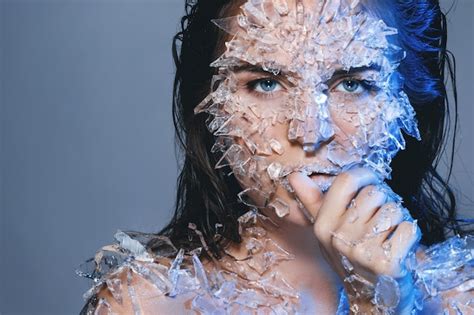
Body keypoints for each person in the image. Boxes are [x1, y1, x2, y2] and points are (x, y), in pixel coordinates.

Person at [78, 0, 473, 313]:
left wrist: (387, 304)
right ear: (207, 103)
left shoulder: (461, 296)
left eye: (351, 84)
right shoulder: (150, 304)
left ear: (410, 104)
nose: (309, 132)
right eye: (266, 83)